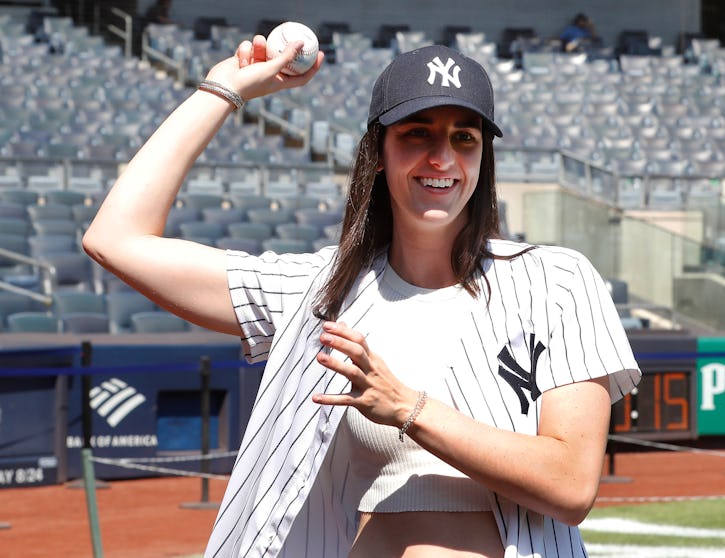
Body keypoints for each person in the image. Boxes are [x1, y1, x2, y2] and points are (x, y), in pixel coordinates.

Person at [83, 34, 641, 557]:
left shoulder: (556, 280)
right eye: (416, 133)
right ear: (379, 152)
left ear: (480, 160)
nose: (441, 158)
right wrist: (223, 88)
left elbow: (571, 485)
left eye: (463, 138)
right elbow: (115, 240)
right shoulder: (317, 290)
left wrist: (407, 409)